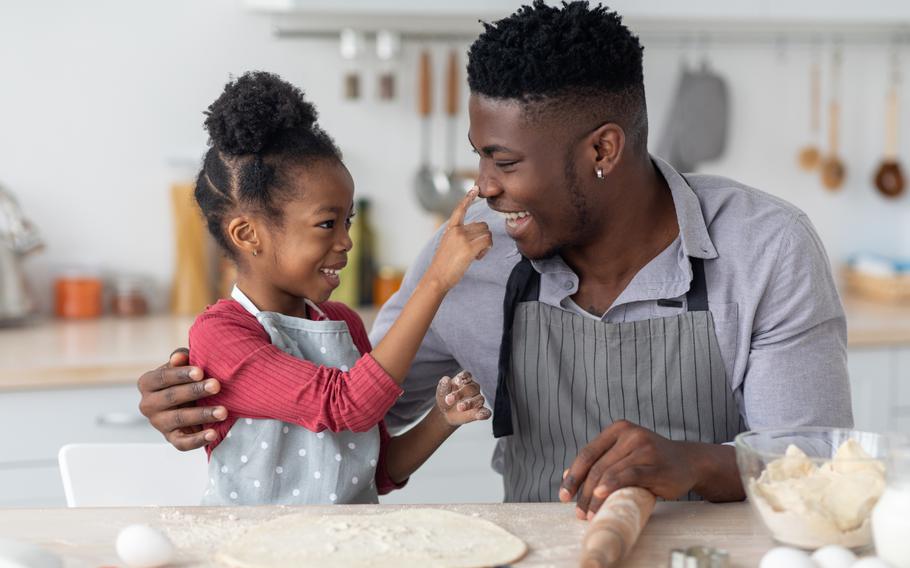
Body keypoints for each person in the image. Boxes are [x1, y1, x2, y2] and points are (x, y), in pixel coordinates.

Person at [138, 2, 851, 517]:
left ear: (602, 150)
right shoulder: (473, 250)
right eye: (480, 155)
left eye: (502, 161)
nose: (482, 186)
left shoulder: (765, 247)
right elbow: (355, 403)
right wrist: (206, 389)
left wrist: (694, 462)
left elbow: (818, 463)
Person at [183, 71, 493, 505]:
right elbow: (345, 404)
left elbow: (377, 471)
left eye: (346, 222)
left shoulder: (343, 325)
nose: (346, 240)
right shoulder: (221, 335)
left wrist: (442, 418)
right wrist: (437, 279)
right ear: (247, 234)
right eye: (327, 224)